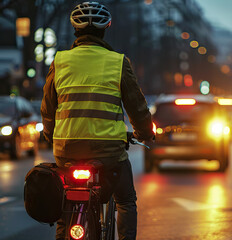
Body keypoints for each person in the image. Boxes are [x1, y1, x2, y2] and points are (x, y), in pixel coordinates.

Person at [40, 2, 154, 240]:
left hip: (67, 149)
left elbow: (48, 107)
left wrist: (49, 134)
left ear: (75, 30)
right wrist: (143, 133)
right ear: (106, 29)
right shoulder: (117, 62)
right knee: (125, 200)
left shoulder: (59, 61)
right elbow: (137, 106)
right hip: (109, 152)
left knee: (64, 204)